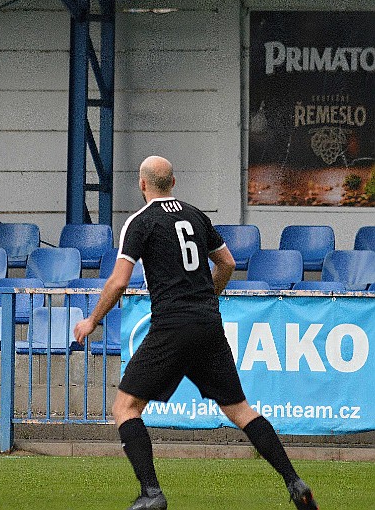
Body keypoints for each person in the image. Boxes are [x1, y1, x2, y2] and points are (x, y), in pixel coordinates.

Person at [73, 156, 319, 510]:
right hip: (207, 324)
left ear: (143, 185)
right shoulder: (195, 215)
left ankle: (152, 494)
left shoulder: (140, 223)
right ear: (173, 182)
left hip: (172, 325)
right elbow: (228, 263)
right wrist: (207, 297)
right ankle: (294, 482)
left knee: (126, 406)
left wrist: (92, 320)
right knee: (240, 410)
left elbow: (119, 281)